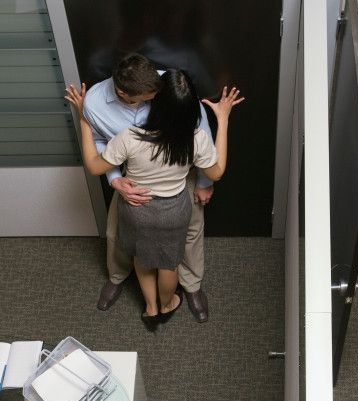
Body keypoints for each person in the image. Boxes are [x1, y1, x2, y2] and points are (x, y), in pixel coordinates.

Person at [65, 70, 242, 330]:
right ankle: (167, 304)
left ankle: (150, 308)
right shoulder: (197, 140)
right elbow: (217, 171)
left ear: (154, 104)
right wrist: (223, 120)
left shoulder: (129, 137)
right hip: (173, 210)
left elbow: (94, 166)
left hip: (136, 208)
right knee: (169, 264)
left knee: (141, 257)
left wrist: (83, 118)